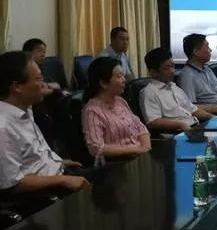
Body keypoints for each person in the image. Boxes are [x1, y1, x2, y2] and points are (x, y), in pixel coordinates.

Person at [0, 51, 87, 193]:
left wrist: (57, 162)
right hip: (43, 193)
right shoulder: (3, 127)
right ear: (17, 87)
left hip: (57, 173)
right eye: (39, 79)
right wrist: (62, 180)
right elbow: (13, 184)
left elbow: (31, 158)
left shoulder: (25, 108)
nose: (44, 85)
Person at [82, 57, 150, 158]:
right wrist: (136, 150)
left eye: (123, 75)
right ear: (104, 83)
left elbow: (139, 126)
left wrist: (145, 147)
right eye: (119, 76)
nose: (124, 80)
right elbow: (97, 148)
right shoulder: (92, 111)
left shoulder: (120, 101)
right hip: (119, 163)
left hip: (139, 156)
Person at [140, 47, 214, 132]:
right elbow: (153, 122)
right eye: (167, 68)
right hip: (175, 132)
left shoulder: (174, 87)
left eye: (173, 66)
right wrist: (180, 124)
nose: (172, 71)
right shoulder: (149, 92)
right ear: (153, 72)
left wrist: (213, 117)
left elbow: (193, 110)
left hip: (194, 127)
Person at [177, 34, 217, 114]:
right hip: (214, 114)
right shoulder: (187, 76)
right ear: (196, 52)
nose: (210, 50)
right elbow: (190, 107)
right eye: (207, 47)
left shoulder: (207, 69)